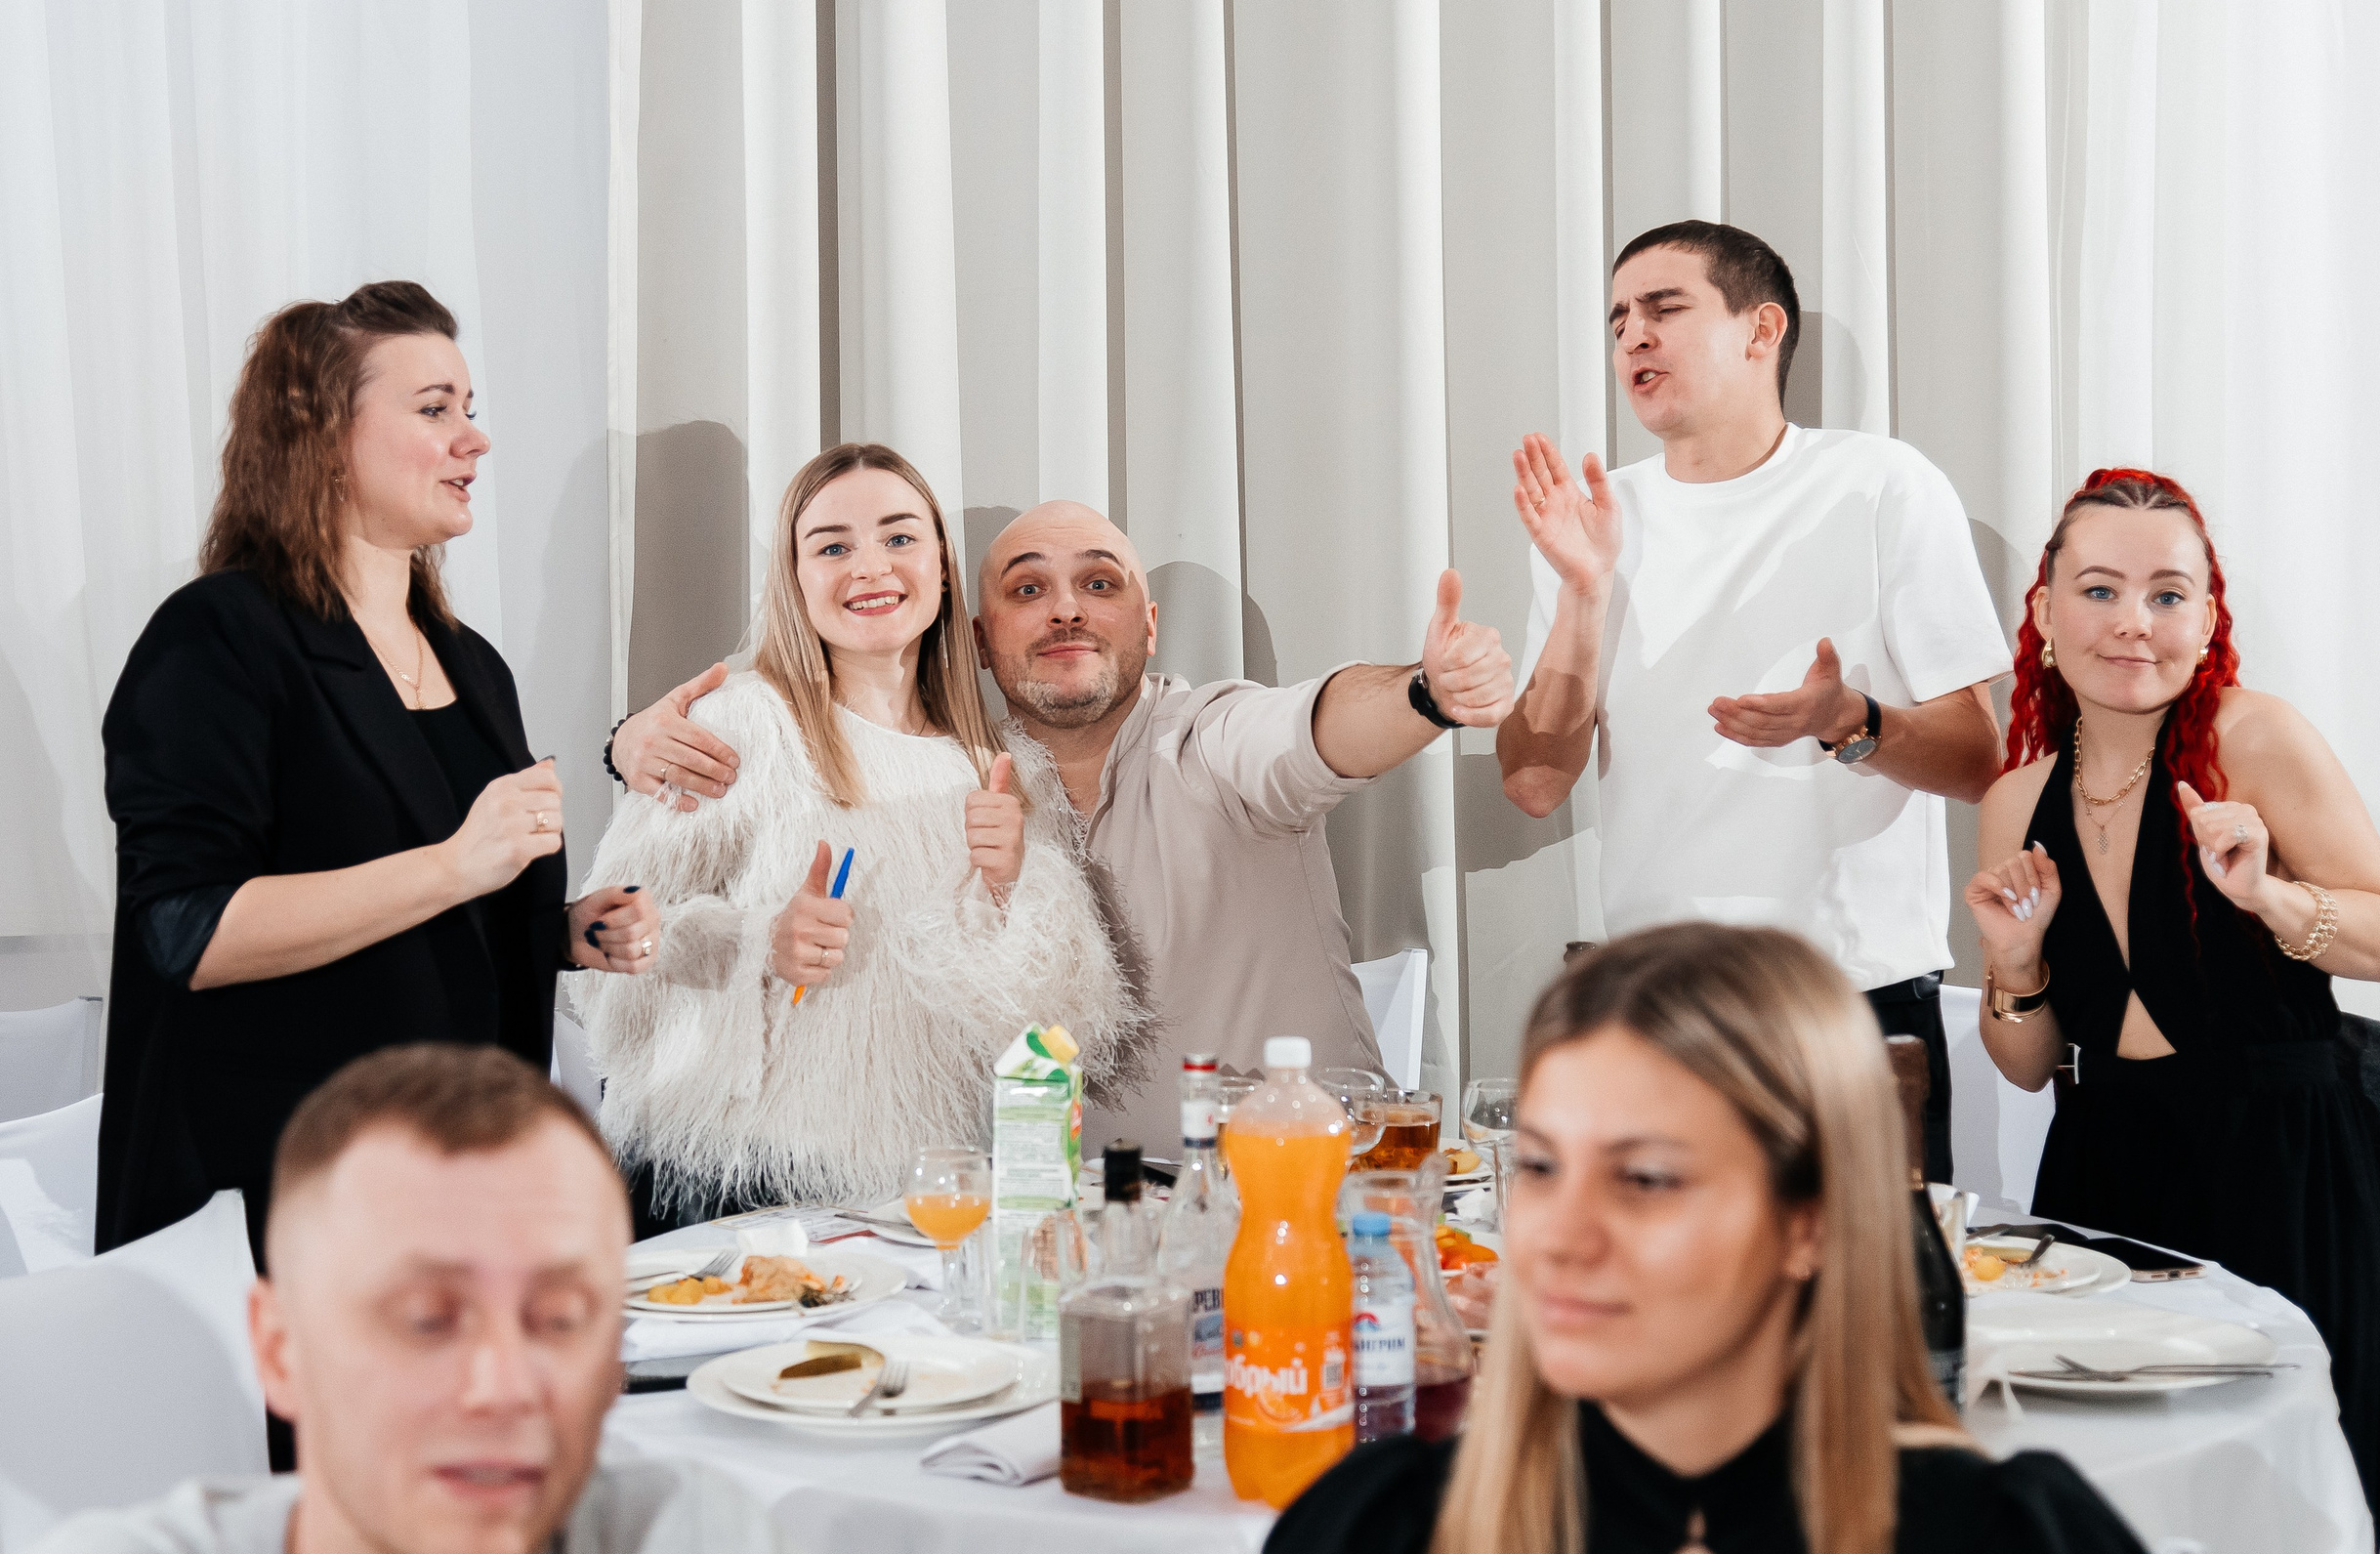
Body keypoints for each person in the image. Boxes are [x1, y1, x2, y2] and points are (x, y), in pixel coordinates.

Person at [606, 499, 1516, 1159]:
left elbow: (1319, 725)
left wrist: (1425, 694)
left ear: (1149, 626)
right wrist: (626, 747)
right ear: (976, 635)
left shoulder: (1214, 737)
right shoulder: (942, 779)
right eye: (1029, 587)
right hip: (1050, 1236)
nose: (1066, 608)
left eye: (1099, 583)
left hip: (1308, 1195)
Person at [1266, 922, 2155, 1554]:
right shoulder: (1382, 1531)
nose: (1562, 1239)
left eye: (1646, 1179)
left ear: (1810, 1221)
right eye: (1539, 1167)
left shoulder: (2009, 1541)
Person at [98, 282, 654, 1261]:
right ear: (320, 432)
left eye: (469, 411)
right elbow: (188, 931)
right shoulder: (218, 637)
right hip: (289, 1198)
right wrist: (455, 865)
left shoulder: (472, 663)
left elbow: (449, 916)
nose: (473, 441)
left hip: (462, 1184)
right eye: (435, 409)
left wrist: (562, 934)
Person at [1497, 221, 2010, 1182]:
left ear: (1760, 328)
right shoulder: (1596, 519)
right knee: (1666, 1319)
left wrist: (1846, 723)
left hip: (1845, 1000)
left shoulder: (1879, 485)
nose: (1632, 339)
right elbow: (1532, 780)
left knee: (1870, 1317)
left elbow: (1979, 762)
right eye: (1616, 323)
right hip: (1657, 1000)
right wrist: (1580, 593)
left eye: (1663, 309)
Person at [1965, 468, 2380, 1534]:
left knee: (2281, 1498)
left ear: (2207, 616)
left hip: (2282, 1163)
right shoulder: (2012, 801)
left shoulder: (2255, 739)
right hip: (2101, 1169)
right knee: (2113, 1500)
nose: (2134, 624)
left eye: (2168, 594)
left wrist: (2263, 894)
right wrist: (2019, 966)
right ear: (2043, 609)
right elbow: (2025, 1062)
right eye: (2100, 590)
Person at [568, 448, 1143, 1230]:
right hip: (727, 1192)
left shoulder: (995, 768)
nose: (870, 567)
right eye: (833, 546)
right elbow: (596, 945)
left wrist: (1012, 882)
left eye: (899, 538)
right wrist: (756, 942)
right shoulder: (739, 725)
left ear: (942, 566)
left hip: (915, 1206)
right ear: (796, 579)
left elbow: (1064, 1031)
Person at [19, 1043, 790, 1554]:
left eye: (560, 1318)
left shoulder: (684, 1534)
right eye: (426, 1318)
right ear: (281, 1350)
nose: (505, 1385)